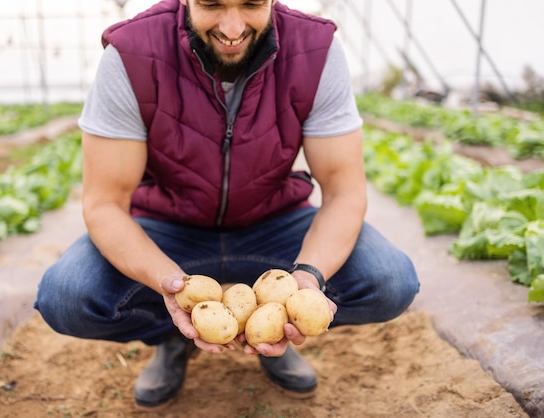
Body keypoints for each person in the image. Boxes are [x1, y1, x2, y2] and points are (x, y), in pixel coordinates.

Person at [35, 0, 419, 411]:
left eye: (252, 3)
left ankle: (275, 326)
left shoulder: (316, 49)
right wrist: (168, 283)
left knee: (389, 280)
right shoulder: (131, 54)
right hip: (167, 229)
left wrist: (307, 278)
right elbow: (104, 204)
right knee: (67, 296)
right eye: (212, 3)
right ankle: (173, 336)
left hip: (274, 224)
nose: (233, 26)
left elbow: (344, 191)